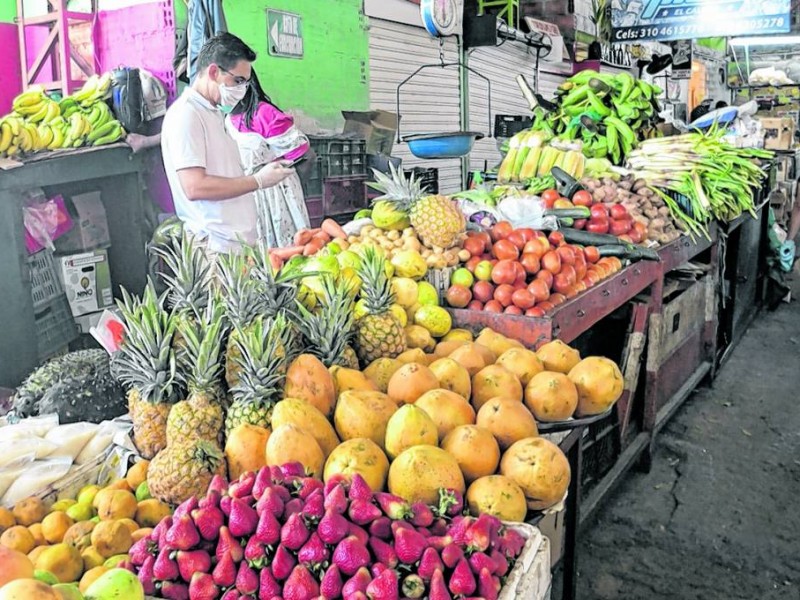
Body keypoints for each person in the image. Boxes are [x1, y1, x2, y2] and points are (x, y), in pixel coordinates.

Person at [160, 32, 294, 256]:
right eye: (238, 81)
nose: (242, 90)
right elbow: (195, 187)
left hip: (234, 246)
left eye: (245, 83)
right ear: (213, 72)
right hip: (214, 248)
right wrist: (258, 181)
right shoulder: (187, 115)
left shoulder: (212, 112)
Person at [227, 72, 313, 248]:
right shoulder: (227, 119)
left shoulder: (264, 113)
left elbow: (307, 155)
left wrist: (294, 188)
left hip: (278, 192)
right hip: (248, 189)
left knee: (289, 248)